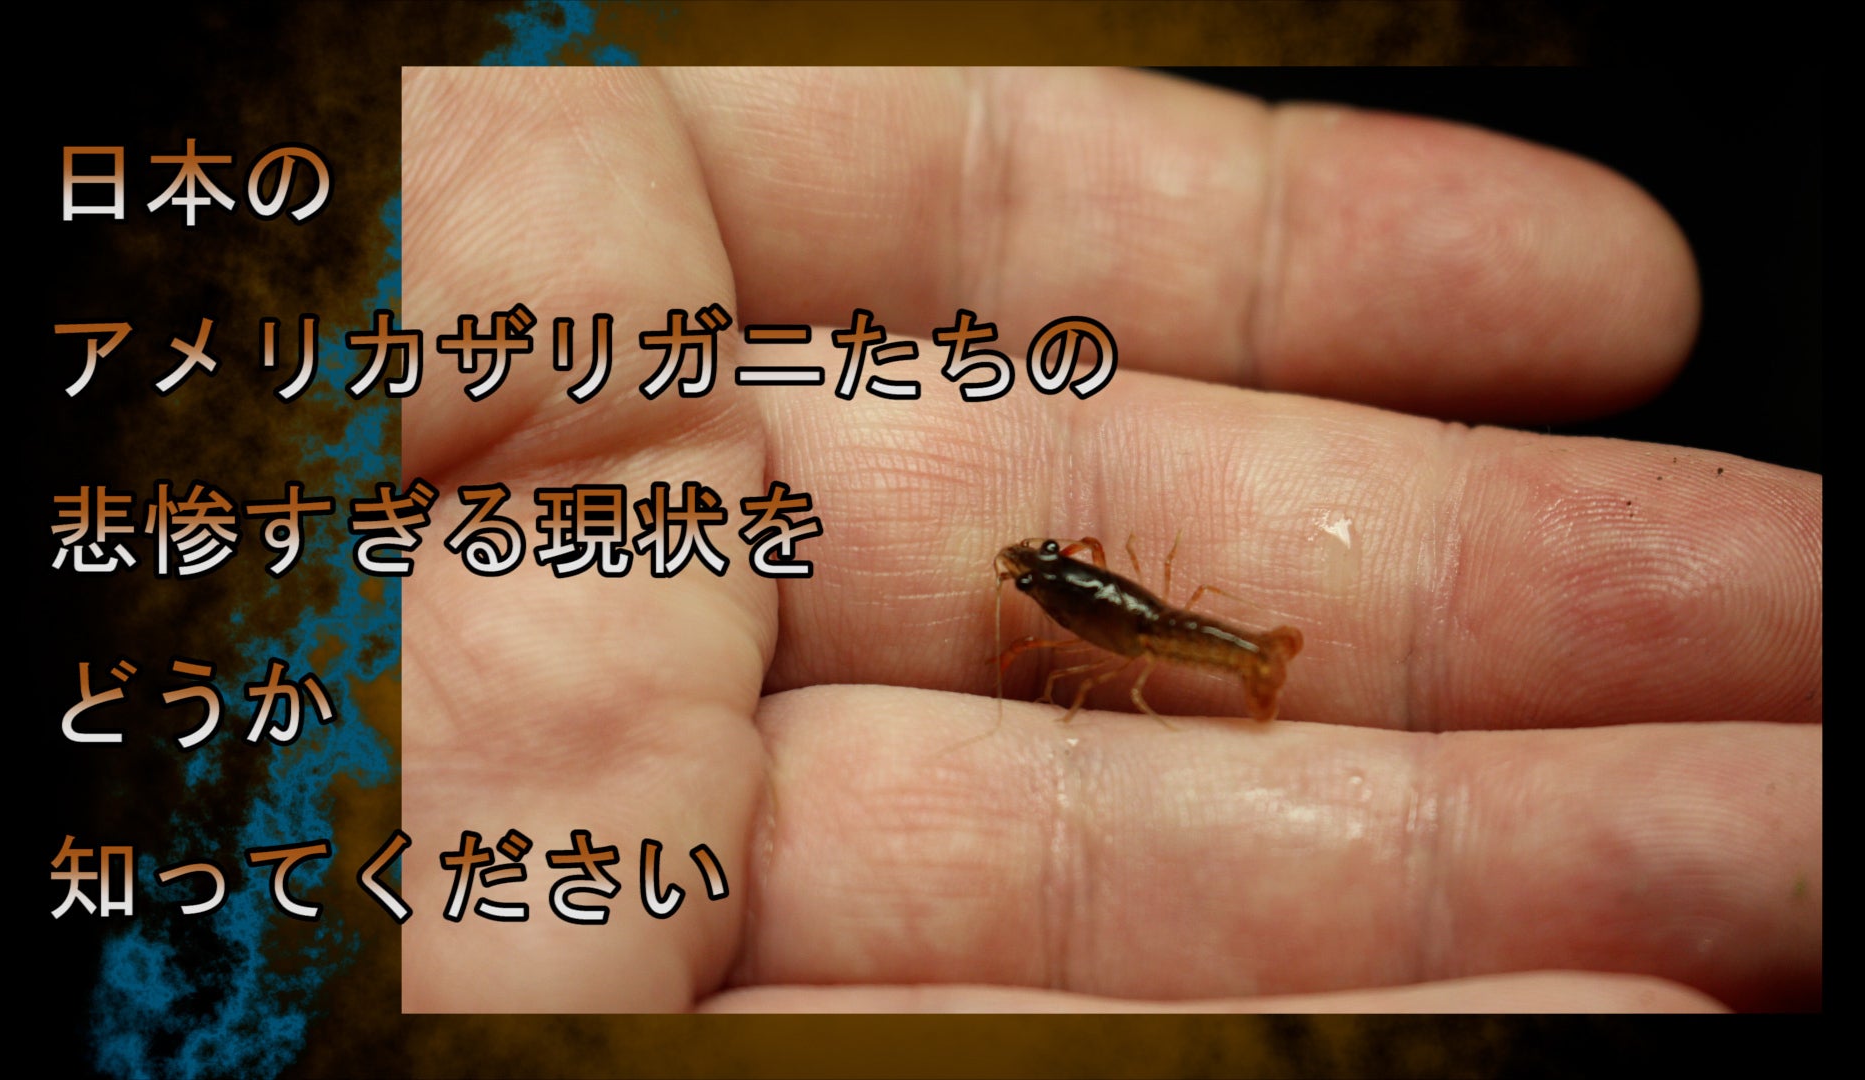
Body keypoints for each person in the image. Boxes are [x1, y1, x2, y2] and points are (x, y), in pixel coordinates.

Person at [399, 67, 1820, 1013]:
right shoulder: (1070, 595)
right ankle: (1237, 656)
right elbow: (1084, 608)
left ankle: (1244, 660)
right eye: (1038, 577)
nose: (1029, 581)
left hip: (1168, 635)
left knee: (1134, 647)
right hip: (1159, 628)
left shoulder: (1094, 617)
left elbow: (1093, 625)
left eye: (1039, 576)